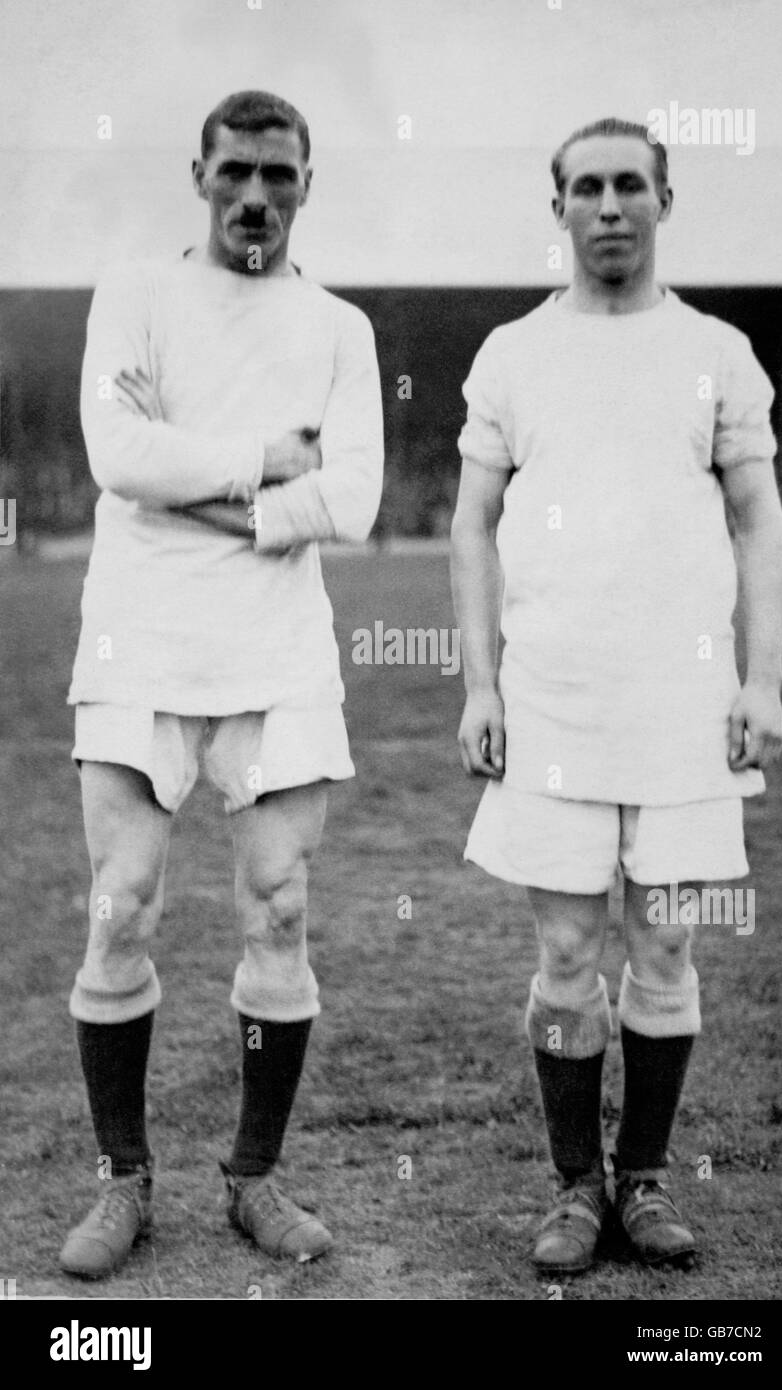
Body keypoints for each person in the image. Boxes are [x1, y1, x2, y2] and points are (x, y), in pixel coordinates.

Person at [450, 117, 782, 1275]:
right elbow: (470, 523)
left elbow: (757, 520)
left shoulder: (717, 350)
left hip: (681, 703)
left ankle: (642, 1178)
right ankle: (572, 1189)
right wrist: (480, 682)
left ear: (661, 199)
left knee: (665, 937)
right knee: (562, 949)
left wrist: (759, 677)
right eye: (585, 187)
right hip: (549, 699)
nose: (607, 205)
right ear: (556, 207)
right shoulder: (509, 354)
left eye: (628, 185)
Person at [60, 90, 383, 1278]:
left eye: (279, 175)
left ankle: (253, 1175)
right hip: (141, 638)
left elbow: (347, 496)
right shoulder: (134, 295)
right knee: (123, 901)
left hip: (277, 649)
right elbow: (116, 457)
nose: (255, 195)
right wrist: (258, 465)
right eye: (235, 170)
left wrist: (184, 492)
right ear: (198, 169)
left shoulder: (339, 329)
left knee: (279, 907)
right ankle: (120, 1181)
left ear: (308, 183)